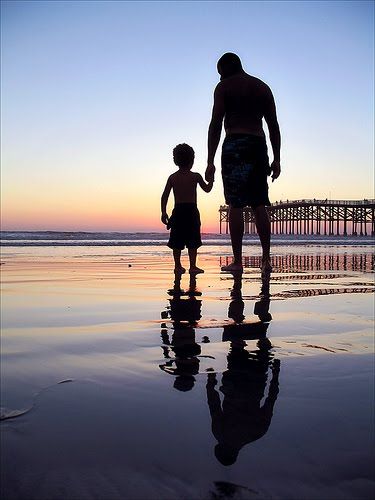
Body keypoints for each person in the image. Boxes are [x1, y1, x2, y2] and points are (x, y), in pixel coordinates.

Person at [205, 52, 281, 274]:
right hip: (258, 145)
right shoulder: (262, 87)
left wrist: (210, 161)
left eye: (220, 73)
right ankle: (266, 260)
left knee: (235, 204)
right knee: (259, 203)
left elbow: (215, 124)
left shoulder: (224, 87)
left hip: (235, 144)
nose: (219, 78)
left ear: (228, 68)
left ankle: (238, 262)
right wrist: (277, 158)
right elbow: (273, 126)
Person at [161, 143, 213, 274]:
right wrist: (211, 179)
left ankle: (177, 266)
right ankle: (193, 266)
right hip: (191, 211)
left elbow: (164, 196)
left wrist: (163, 212)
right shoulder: (195, 176)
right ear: (192, 160)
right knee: (193, 240)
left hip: (178, 211)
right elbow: (207, 189)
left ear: (175, 160)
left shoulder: (172, 177)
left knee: (176, 240)